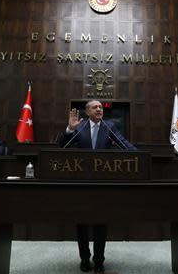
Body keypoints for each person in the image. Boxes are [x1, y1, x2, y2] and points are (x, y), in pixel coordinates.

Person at [59, 100, 136, 273]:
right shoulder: (79, 126)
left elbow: (124, 144)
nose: (99, 109)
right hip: (82, 182)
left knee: (101, 222)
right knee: (82, 223)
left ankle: (99, 261)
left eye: (101, 107)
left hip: (102, 182)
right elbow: (61, 147)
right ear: (87, 112)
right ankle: (85, 259)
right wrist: (70, 129)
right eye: (95, 107)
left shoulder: (109, 126)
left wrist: (140, 156)